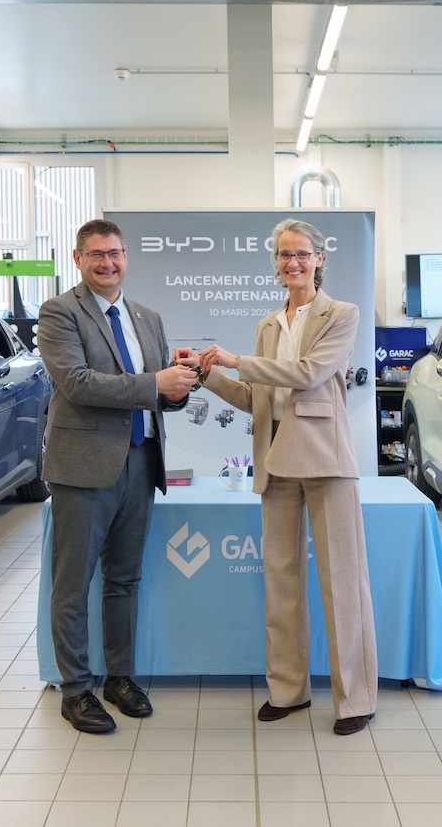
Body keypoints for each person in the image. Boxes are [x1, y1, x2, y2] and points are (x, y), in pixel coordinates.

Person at [177, 218, 377, 734]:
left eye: (302, 254)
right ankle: (288, 691)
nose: (293, 262)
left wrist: (238, 360)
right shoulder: (268, 325)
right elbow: (256, 399)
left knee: (343, 584)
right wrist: (208, 374)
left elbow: (309, 373)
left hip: (326, 459)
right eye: (285, 254)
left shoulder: (342, 314)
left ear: (320, 258)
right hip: (276, 458)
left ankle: (356, 699)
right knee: (281, 582)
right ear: (276, 262)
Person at [39, 218, 200, 733]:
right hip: (84, 466)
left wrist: (182, 385)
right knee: (73, 584)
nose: (107, 263)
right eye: (96, 254)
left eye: (115, 253)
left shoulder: (147, 317)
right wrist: (156, 381)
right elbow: (77, 383)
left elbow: (157, 396)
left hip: (141, 460)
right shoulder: (60, 312)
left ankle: (120, 678)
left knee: (124, 580)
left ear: (126, 255)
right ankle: (76, 690)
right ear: (78, 259)